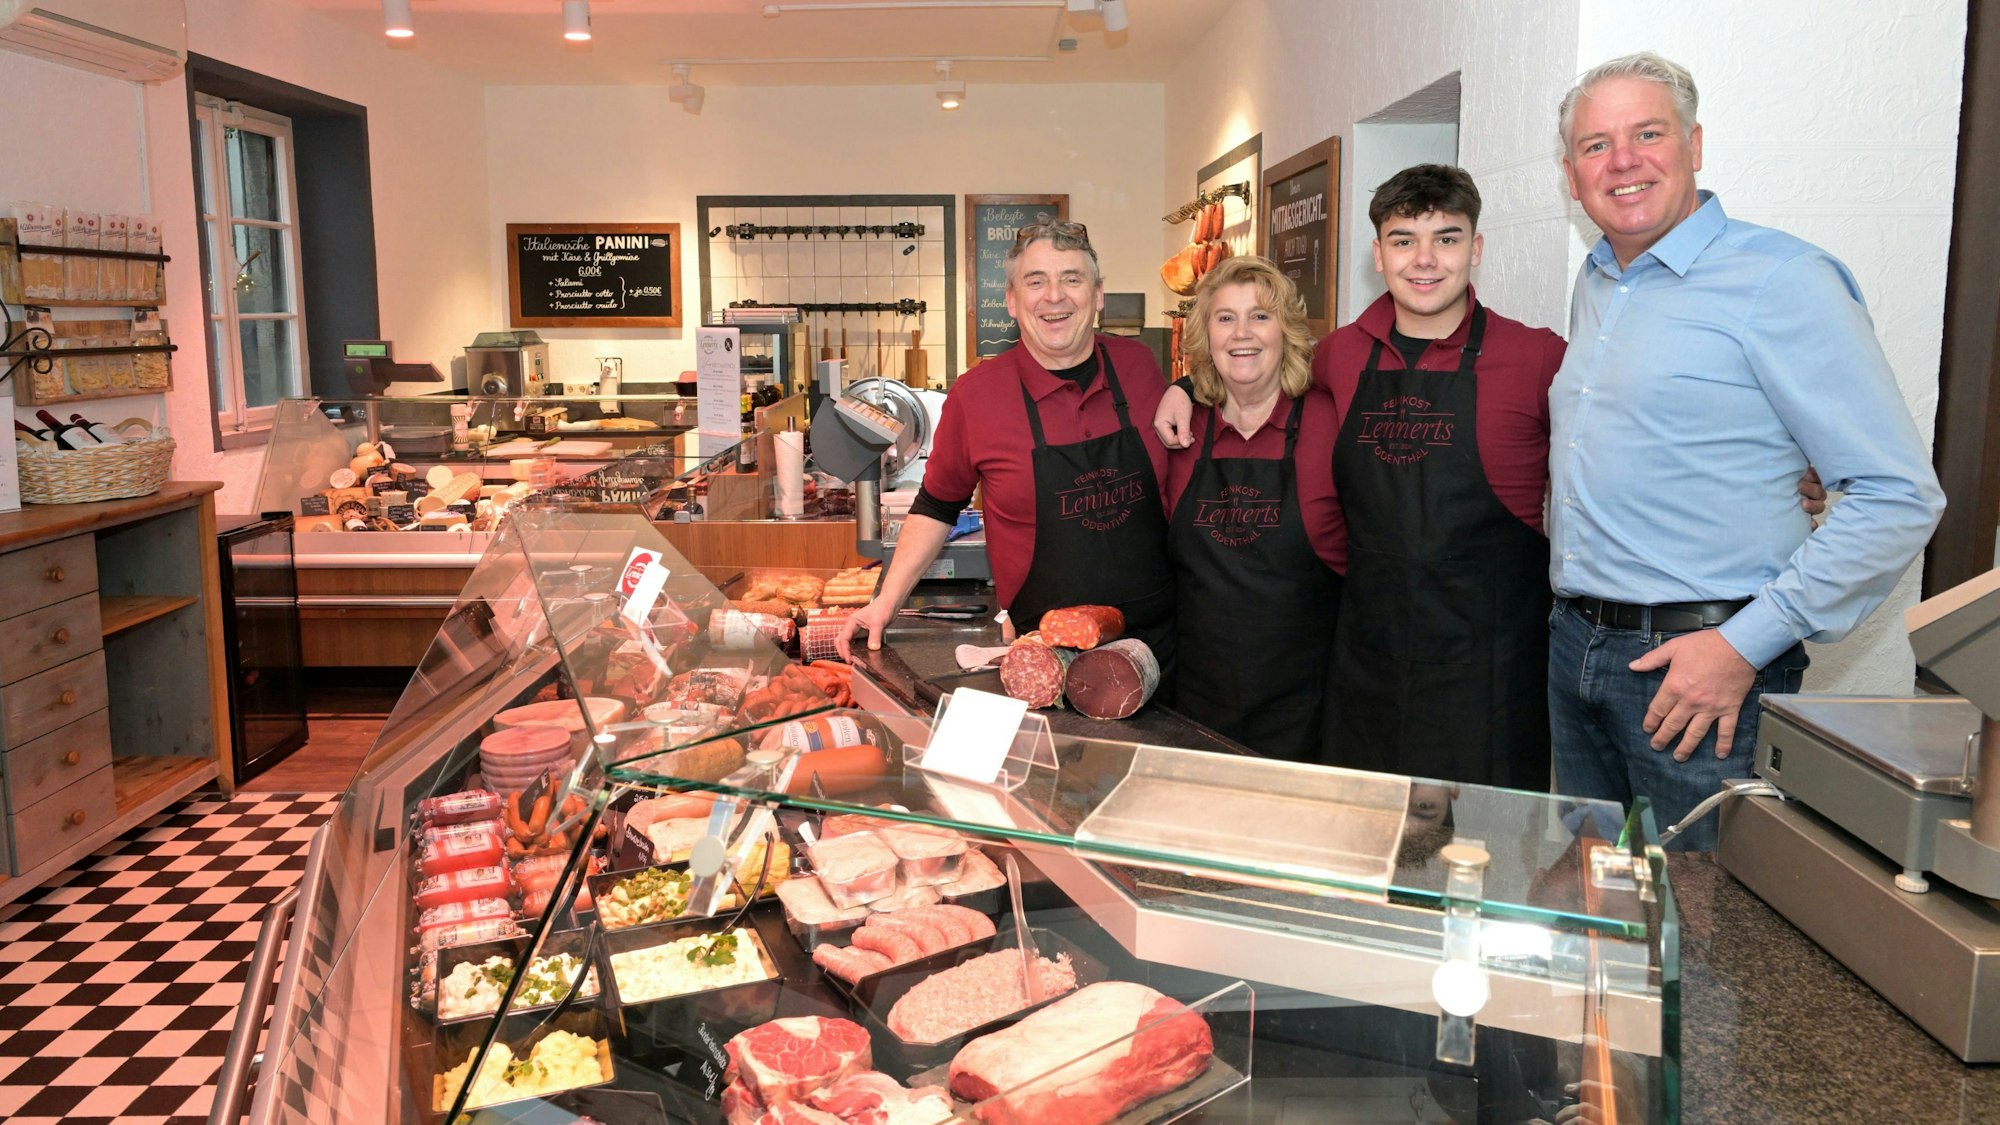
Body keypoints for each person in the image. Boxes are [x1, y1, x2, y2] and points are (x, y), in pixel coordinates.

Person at [1548, 52, 1945, 850]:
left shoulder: (1783, 279)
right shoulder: (1598, 280)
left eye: (1647, 133)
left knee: (1711, 941)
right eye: (1596, 145)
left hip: (1702, 668)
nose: (1621, 161)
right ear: (1570, 172)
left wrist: (1744, 644)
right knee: (1600, 915)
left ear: (1694, 145)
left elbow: (1898, 494)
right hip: (1576, 650)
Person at [1158, 164, 1564, 790]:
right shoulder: (1343, 355)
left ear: (1476, 248)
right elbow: (1254, 364)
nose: (1424, 260)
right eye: (1404, 240)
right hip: (1365, 670)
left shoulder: (1538, 357)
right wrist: (1184, 386)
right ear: (1378, 255)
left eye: (1447, 238)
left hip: (1490, 674)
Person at [838, 221, 1176, 678]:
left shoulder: (1139, 367)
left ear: (1098, 295)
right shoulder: (978, 395)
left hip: (1163, 641)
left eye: (1072, 279)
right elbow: (937, 506)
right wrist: (885, 603)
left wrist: (1189, 387)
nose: (1055, 296)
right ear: (1013, 301)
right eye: (1036, 281)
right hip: (1046, 657)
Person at [1163, 255, 1342, 761]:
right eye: (1225, 318)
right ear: (1206, 337)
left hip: (1306, 709)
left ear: (1285, 331)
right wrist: (1179, 388)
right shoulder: (1180, 432)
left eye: (1260, 316)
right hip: (1196, 705)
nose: (1242, 333)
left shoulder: (1331, 420)